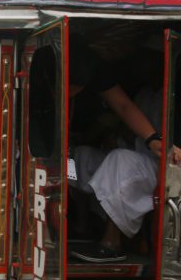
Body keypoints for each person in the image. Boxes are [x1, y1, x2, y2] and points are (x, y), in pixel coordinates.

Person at [67, 44, 181, 263]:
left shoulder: (175, 95)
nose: (140, 67)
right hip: (140, 157)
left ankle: (112, 243)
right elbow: (128, 121)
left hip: (167, 167)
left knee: (120, 161)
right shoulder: (145, 94)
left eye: (146, 60)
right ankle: (82, 225)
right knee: (78, 156)